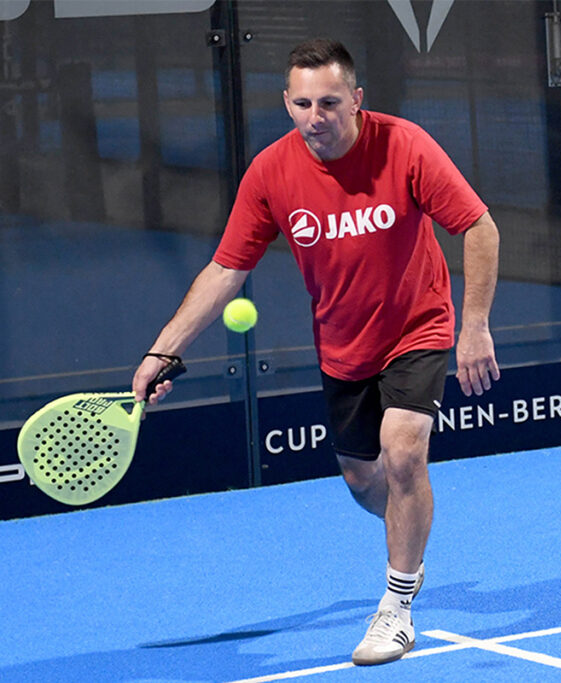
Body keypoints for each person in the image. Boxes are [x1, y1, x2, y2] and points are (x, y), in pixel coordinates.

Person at [131, 38, 500, 666]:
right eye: (301, 103)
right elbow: (226, 269)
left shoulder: (403, 145)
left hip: (419, 325)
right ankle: (410, 525)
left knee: (405, 452)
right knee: (364, 482)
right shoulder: (272, 172)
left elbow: (476, 225)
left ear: (357, 100)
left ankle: (397, 607)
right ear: (286, 103)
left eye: (329, 102)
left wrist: (475, 326)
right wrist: (161, 352)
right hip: (343, 346)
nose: (315, 116)